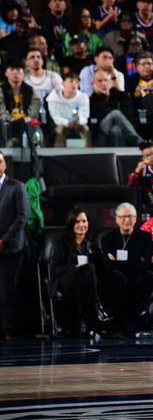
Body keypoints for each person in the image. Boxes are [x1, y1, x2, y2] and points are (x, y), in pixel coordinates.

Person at [49, 208, 112, 334]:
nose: (81, 225)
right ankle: (97, 310)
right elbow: (55, 269)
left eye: (84, 221)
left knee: (93, 271)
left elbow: (102, 268)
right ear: (71, 224)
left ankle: (92, 320)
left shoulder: (91, 244)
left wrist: (106, 256)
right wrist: (74, 267)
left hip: (85, 283)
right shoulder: (61, 242)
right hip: (64, 280)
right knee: (88, 268)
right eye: (77, 222)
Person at [98, 203, 153, 322]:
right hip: (117, 278)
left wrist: (118, 262)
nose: (127, 220)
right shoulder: (107, 238)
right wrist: (137, 260)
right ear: (116, 219)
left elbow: (147, 263)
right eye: (123, 217)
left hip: (138, 278)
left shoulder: (145, 238)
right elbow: (109, 265)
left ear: (135, 218)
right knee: (115, 276)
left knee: (149, 276)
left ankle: (142, 314)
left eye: (130, 216)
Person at [0, 150, 28, 339]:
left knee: (6, 290)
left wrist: (4, 239)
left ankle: (8, 329)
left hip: (10, 247)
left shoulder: (17, 187)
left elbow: (22, 217)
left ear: (4, 164)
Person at [89, 69, 142, 146]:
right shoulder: (91, 100)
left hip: (120, 129)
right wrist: (103, 97)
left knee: (116, 130)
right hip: (100, 131)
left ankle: (122, 154)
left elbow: (129, 116)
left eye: (106, 80)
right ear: (93, 84)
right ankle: (139, 142)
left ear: (110, 82)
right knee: (115, 113)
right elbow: (94, 121)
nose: (103, 83)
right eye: (99, 81)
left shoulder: (121, 96)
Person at [0, 58, 41, 147]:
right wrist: (10, 118)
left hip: (26, 121)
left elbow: (34, 110)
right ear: (6, 73)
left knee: (32, 124)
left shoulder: (31, 91)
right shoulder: (1, 90)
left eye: (18, 70)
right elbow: (1, 111)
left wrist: (26, 118)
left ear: (24, 73)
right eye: (12, 69)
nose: (15, 73)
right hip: (7, 121)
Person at [46, 72, 91, 147]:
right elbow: (55, 116)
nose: (74, 84)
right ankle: (58, 152)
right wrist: (67, 123)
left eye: (77, 82)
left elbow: (85, 115)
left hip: (77, 123)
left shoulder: (83, 97)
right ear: (63, 83)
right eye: (71, 81)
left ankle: (87, 152)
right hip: (60, 124)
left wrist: (78, 120)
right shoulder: (54, 97)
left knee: (85, 129)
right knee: (61, 130)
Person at [128, 140, 153, 215]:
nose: (151, 157)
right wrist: (137, 170)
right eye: (147, 155)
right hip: (148, 203)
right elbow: (130, 185)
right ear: (143, 159)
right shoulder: (142, 170)